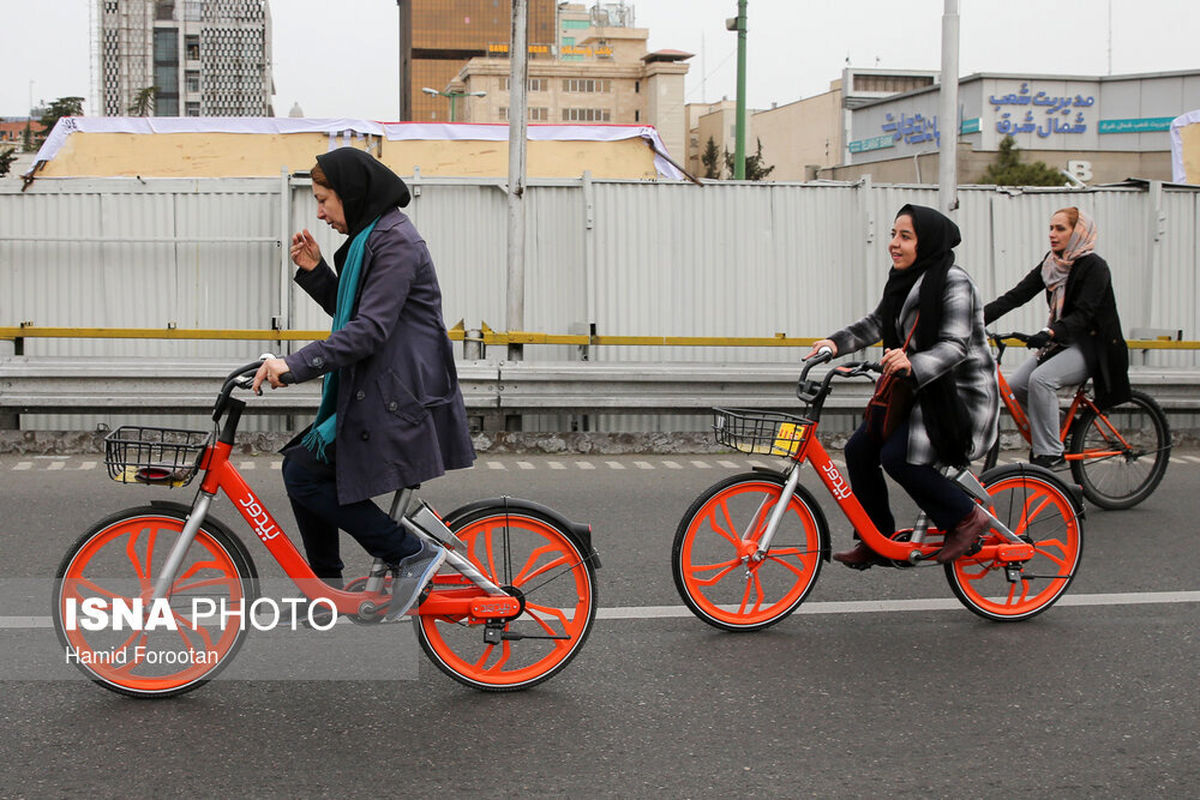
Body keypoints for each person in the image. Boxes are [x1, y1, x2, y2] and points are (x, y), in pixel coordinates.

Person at [252, 147, 476, 619]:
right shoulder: (372, 238)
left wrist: (295, 364)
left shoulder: (395, 243)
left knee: (303, 474)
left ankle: (408, 552)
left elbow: (369, 330)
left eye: (324, 199)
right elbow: (358, 313)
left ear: (350, 194)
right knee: (302, 466)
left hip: (401, 398)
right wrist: (316, 273)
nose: (320, 212)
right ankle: (324, 589)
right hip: (382, 388)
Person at [807, 204, 999, 567]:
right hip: (919, 393)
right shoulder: (903, 280)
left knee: (898, 457)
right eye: (893, 235)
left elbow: (956, 345)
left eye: (905, 237)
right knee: (859, 450)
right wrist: (833, 344)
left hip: (958, 400)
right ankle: (876, 537)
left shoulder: (955, 282)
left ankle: (966, 517)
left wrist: (913, 362)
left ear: (926, 243)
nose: (894, 244)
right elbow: (876, 324)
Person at [984, 207, 1130, 469]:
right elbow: (1017, 295)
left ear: (1078, 233)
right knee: (1017, 384)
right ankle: (1061, 427)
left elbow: (1084, 314)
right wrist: (975, 317)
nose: (1052, 234)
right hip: (1064, 341)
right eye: (1051, 228)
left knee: (1041, 380)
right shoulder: (1052, 263)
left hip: (1094, 346)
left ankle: (1051, 451)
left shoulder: (1095, 267)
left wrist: (1050, 332)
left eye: (1060, 229)